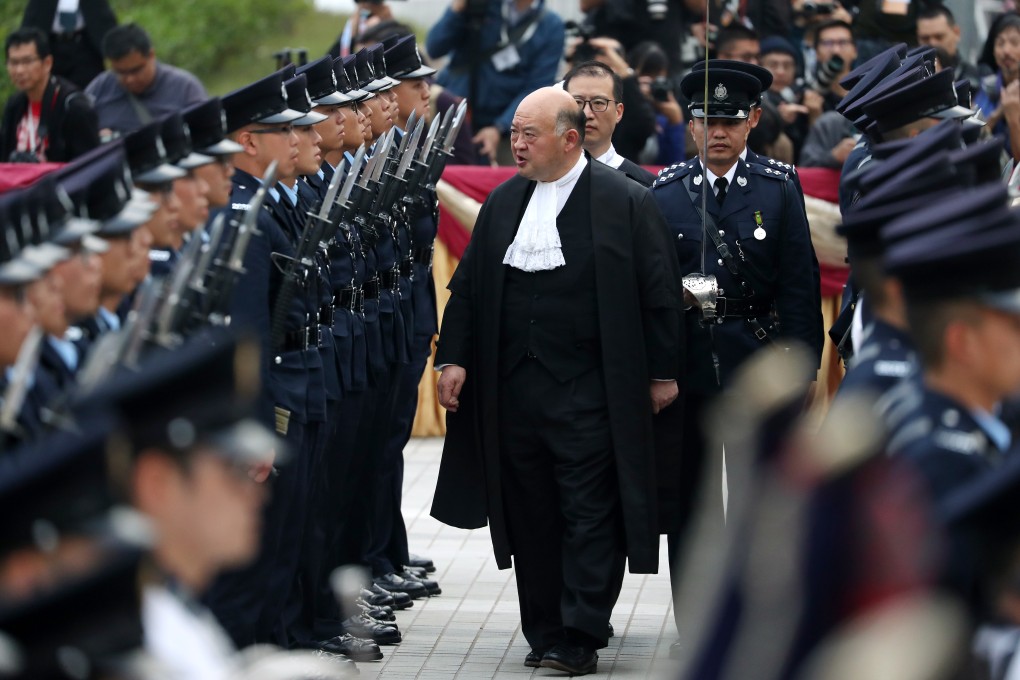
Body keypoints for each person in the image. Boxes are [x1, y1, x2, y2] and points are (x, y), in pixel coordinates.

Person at [432, 86, 682, 675]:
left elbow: (660, 292)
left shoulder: (626, 201)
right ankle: (543, 627)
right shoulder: (502, 204)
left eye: (529, 135)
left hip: (592, 391)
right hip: (514, 392)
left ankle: (580, 632)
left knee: (588, 511)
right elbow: (467, 289)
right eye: (514, 133)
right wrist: (455, 358)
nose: (516, 144)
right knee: (530, 512)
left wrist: (663, 372)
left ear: (570, 139)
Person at [651, 65, 823, 656]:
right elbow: (651, 293)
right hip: (692, 361)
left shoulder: (777, 186)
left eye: (728, 120)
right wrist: (658, 368)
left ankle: (760, 620)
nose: (716, 132)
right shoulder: (666, 188)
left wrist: (801, 366)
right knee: (694, 501)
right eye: (704, 120)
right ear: (689, 125)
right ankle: (697, 625)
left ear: (752, 119)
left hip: (757, 360)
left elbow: (800, 285)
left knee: (762, 498)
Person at [425, 0, 565, 164]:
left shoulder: (550, 25)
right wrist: (457, 9)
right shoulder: (482, 6)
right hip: (456, 114)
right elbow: (434, 47)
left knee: (505, 177)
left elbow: (537, 87)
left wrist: (500, 128)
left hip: (504, 124)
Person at [84, 22, 207, 139]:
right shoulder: (98, 89)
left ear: (151, 55)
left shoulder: (185, 87)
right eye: (121, 72)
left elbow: (206, 131)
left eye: (135, 70)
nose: (129, 79)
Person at [1, 27, 99, 162]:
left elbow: (90, 168)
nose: (19, 70)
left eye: (27, 61)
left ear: (47, 63)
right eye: (14, 63)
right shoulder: (14, 105)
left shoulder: (73, 107)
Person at [563, 60, 656, 185]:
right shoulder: (539, 176)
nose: (586, 114)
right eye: (577, 102)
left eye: (599, 103)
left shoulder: (644, 186)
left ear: (618, 112)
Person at [19, 0, 117, 91]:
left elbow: (103, 18)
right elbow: (33, 19)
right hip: (52, 46)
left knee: (90, 89)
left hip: (84, 46)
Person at [976, 13, 1020, 161]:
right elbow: (972, 140)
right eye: (1000, 43)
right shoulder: (987, 87)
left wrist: (1013, 118)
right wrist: (997, 114)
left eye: (1015, 43)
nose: (1006, 51)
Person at [916, 6, 979, 90]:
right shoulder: (910, 78)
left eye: (939, 37)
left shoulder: (977, 79)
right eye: (925, 38)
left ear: (956, 33)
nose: (932, 43)